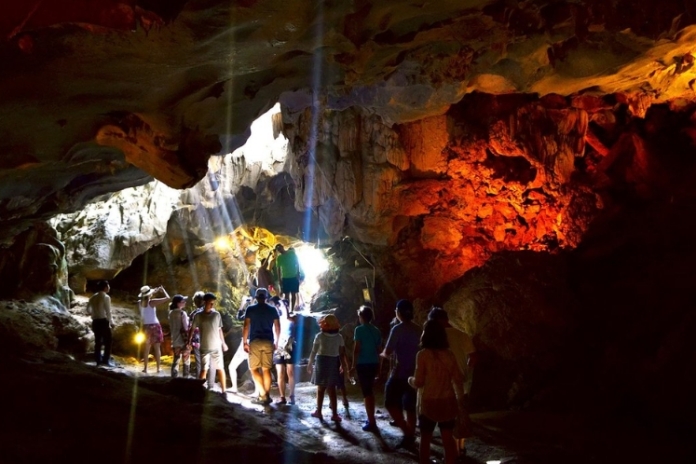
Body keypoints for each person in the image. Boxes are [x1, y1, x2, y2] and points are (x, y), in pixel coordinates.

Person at [408, 320, 465, 464]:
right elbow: (459, 378)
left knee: (426, 438)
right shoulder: (449, 354)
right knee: (447, 438)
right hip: (448, 400)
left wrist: (410, 380)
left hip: (429, 402)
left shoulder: (422, 355)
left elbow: (419, 382)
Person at [428, 307, 477, 457]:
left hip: (443, 385)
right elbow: (473, 357)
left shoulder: (435, 338)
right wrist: (466, 372)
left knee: (447, 420)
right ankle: (460, 448)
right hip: (461, 383)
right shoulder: (461, 335)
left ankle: (452, 452)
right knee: (460, 417)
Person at [381, 299, 421, 449]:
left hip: (400, 373)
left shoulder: (397, 329)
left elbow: (389, 351)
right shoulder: (419, 329)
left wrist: (383, 354)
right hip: (415, 373)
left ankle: (407, 432)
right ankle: (410, 434)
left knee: (389, 402)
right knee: (410, 406)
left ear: (398, 312)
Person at [307, 314, 349, 422]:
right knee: (332, 389)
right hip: (333, 362)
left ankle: (319, 412)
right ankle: (334, 414)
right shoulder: (339, 337)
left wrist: (310, 363)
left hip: (321, 362)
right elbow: (342, 353)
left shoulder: (319, 336)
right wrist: (343, 365)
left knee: (320, 389)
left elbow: (314, 351)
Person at [242, 287, 280, 404]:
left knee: (253, 369)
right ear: (266, 297)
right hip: (268, 341)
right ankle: (266, 396)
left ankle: (263, 395)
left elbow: (246, 326)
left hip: (255, 341)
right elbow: (277, 327)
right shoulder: (272, 310)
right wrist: (277, 342)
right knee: (266, 370)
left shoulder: (250, 309)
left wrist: (244, 341)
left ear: (256, 297)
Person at [351, 305, 383, 431]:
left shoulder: (358, 330)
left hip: (363, 364)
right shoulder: (376, 330)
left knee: (366, 392)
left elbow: (356, 349)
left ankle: (371, 421)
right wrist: (379, 367)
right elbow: (379, 350)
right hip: (374, 363)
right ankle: (371, 417)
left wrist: (353, 365)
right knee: (369, 391)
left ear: (361, 317)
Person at [188, 292, 228, 391]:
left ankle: (224, 391)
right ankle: (200, 390)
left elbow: (219, 330)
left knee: (220, 368)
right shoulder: (198, 315)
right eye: (210, 303)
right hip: (204, 347)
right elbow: (192, 329)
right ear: (204, 302)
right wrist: (188, 342)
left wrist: (223, 343)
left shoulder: (216, 314)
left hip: (216, 347)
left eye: (213, 303)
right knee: (203, 369)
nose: (212, 305)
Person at [225, 296, 257, 394]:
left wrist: (244, 304)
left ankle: (257, 391)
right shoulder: (253, 313)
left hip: (248, 343)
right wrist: (243, 304)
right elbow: (239, 317)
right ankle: (235, 387)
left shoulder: (253, 313)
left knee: (252, 369)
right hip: (246, 343)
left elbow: (239, 317)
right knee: (234, 367)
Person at [138, 285, 170, 374]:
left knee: (146, 348)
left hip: (146, 326)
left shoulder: (139, 303)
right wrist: (162, 290)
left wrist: (152, 292)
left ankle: (145, 368)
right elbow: (167, 298)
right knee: (157, 348)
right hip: (155, 326)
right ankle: (158, 368)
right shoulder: (152, 302)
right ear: (149, 294)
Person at [272, 296, 298, 405]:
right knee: (280, 372)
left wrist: (285, 306)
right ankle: (282, 397)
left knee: (290, 372)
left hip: (289, 345)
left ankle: (292, 396)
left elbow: (288, 317)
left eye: (285, 305)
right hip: (279, 346)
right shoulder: (275, 317)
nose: (282, 307)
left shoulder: (292, 318)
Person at [86, 280, 113, 366]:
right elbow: (108, 311)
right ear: (105, 288)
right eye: (108, 286)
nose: (109, 287)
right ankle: (106, 360)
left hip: (95, 322)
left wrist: (94, 314)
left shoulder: (93, 297)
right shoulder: (106, 297)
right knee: (108, 341)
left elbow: (88, 309)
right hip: (103, 321)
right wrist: (111, 322)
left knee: (98, 341)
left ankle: (98, 360)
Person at [273, 244, 301, 312]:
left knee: (294, 293)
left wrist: (298, 273)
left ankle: (292, 310)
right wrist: (280, 279)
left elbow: (297, 263)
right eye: (278, 249)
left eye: (280, 248)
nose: (280, 250)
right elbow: (278, 269)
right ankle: (287, 310)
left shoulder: (291, 253)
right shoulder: (279, 258)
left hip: (293, 276)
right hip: (285, 277)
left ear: (283, 247)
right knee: (286, 295)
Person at [168, 294, 191, 378]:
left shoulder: (171, 313)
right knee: (186, 361)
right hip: (183, 340)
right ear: (178, 303)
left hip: (175, 340)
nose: (185, 302)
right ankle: (186, 378)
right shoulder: (182, 313)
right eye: (183, 301)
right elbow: (186, 327)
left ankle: (173, 379)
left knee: (176, 360)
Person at [188, 291, 205, 379]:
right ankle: (209, 382)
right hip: (207, 340)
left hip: (196, 341)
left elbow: (190, 328)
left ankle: (199, 381)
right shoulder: (209, 311)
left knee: (198, 362)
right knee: (207, 362)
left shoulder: (193, 314)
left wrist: (189, 341)